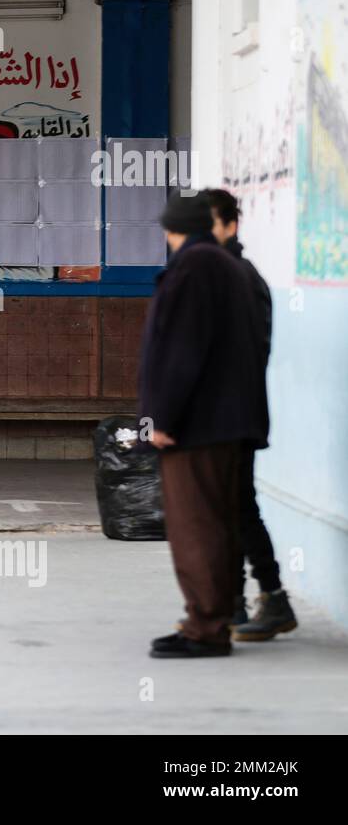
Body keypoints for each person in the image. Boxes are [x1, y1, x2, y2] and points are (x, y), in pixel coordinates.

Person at [138, 192, 269, 658]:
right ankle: (212, 617)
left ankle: (205, 627)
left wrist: (162, 418)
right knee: (215, 522)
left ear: (173, 230)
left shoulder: (194, 268)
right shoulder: (225, 266)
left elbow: (181, 352)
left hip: (198, 425)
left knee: (196, 526)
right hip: (224, 421)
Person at [201, 188, 297, 641]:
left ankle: (273, 598)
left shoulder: (239, 277)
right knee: (227, 508)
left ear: (230, 227)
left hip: (234, 416)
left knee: (239, 507)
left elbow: (249, 351)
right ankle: (236, 602)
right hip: (223, 415)